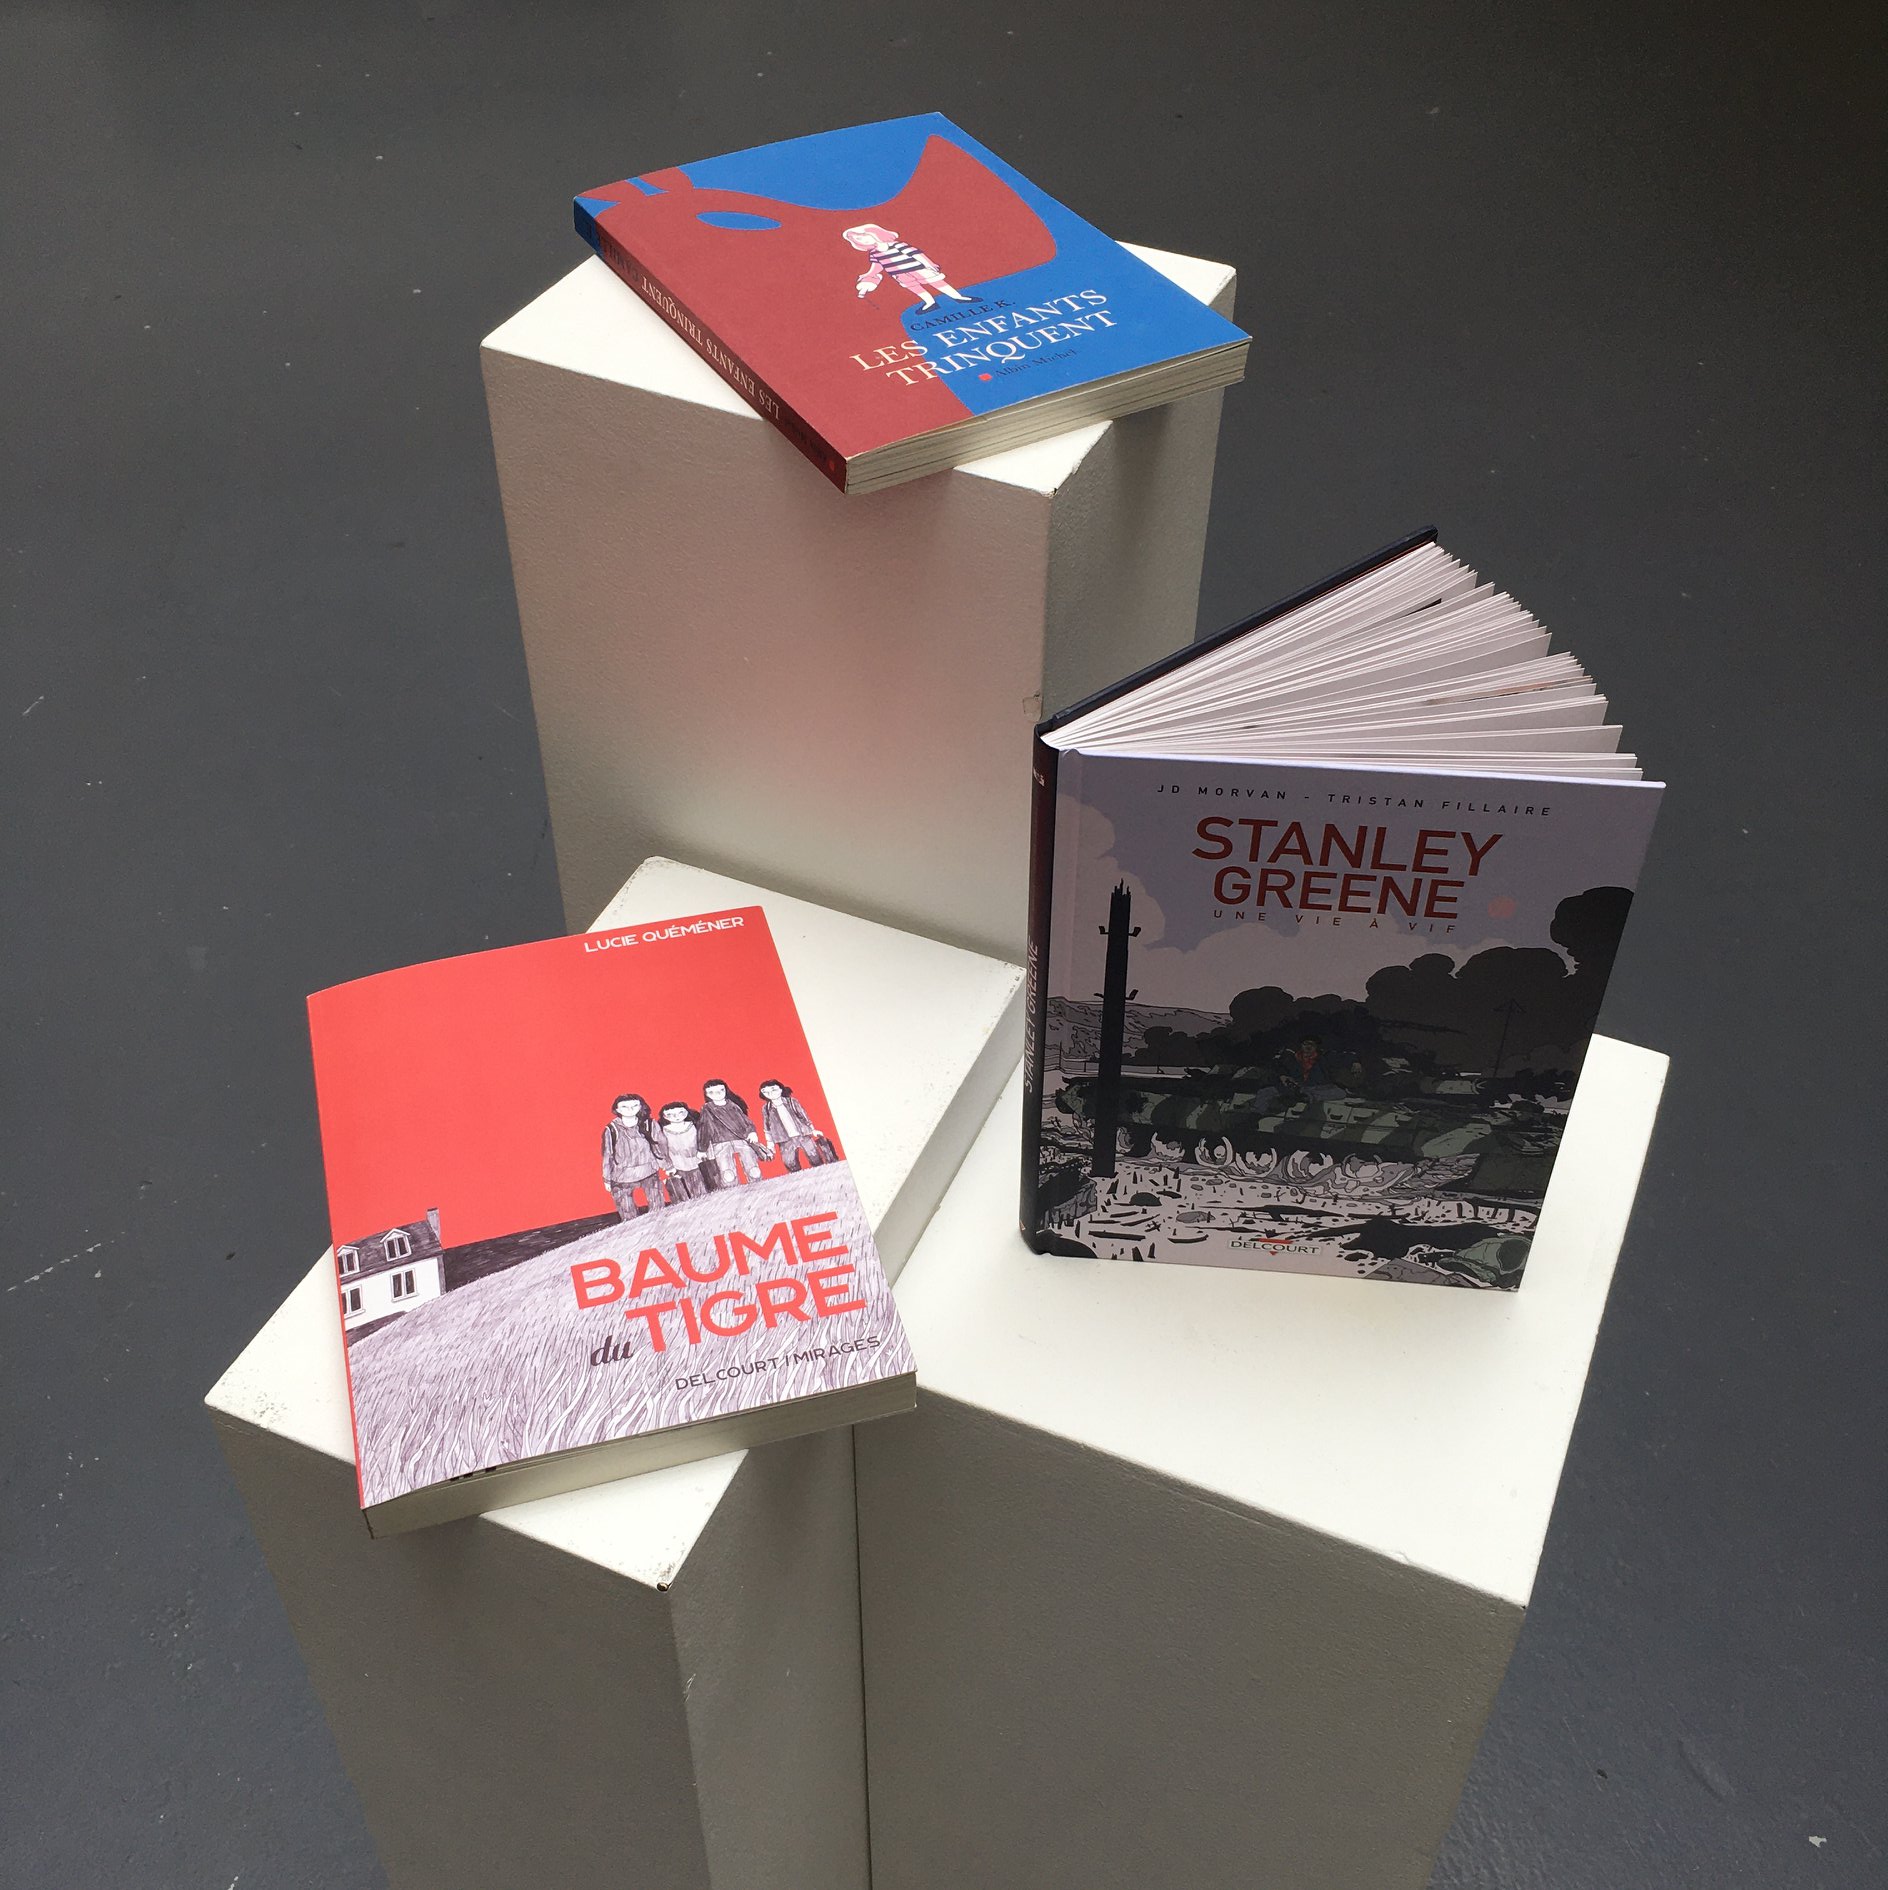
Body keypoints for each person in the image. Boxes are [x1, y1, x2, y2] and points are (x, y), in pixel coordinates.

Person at [843, 223, 970, 310]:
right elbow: (877, 265)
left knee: (936, 282)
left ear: (875, 233)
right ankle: (930, 302)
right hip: (899, 274)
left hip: (917, 269)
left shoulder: (897, 245)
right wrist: (870, 274)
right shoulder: (874, 253)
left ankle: (958, 297)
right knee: (914, 287)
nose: (863, 240)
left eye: (864, 236)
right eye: (858, 239)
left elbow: (917, 254)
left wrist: (929, 264)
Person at [601, 1093, 663, 1219]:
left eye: (634, 1106)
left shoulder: (649, 1124)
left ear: (640, 1107)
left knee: (658, 1211)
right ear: (617, 1109)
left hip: (649, 1171)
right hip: (622, 1177)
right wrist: (607, 1179)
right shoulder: (612, 1129)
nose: (630, 1109)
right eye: (624, 1107)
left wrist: (667, 1165)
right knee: (628, 1215)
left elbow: (661, 1145)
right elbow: (608, 1155)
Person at [699, 1079, 764, 1187]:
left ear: (726, 1090)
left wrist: (752, 1132)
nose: (717, 1094)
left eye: (720, 1090)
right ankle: (733, 1192)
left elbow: (745, 1120)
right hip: (720, 1142)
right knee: (727, 1173)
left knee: (753, 1169)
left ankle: (759, 1187)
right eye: (711, 1092)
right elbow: (705, 1128)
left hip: (741, 1139)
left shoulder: (733, 1105)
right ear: (707, 1094)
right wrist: (702, 1148)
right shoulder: (707, 1109)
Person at [758, 1079, 832, 1171]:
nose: (770, 1093)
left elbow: (804, 1117)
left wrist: (813, 1130)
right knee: (790, 1164)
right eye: (765, 1092)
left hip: (803, 1135)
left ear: (781, 1089)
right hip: (784, 1140)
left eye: (773, 1090)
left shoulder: (792, 1102)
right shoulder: (766, 1109)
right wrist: (770, 1143)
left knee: (815, 1158)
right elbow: (767, 1128)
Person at [654, 1102, 709, 1200]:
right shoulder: (663, 1131)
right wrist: (667, 1166)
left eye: (680, 1113)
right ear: (664, 1116)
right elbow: (661, 1151)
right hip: (677, 1166)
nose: (676, 1117)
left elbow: (704, 1140)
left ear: (687, 1112)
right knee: (685, 1195)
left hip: (698, 1163)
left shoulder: (695, 1125)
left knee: (703, 1192)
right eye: (671, 1115)